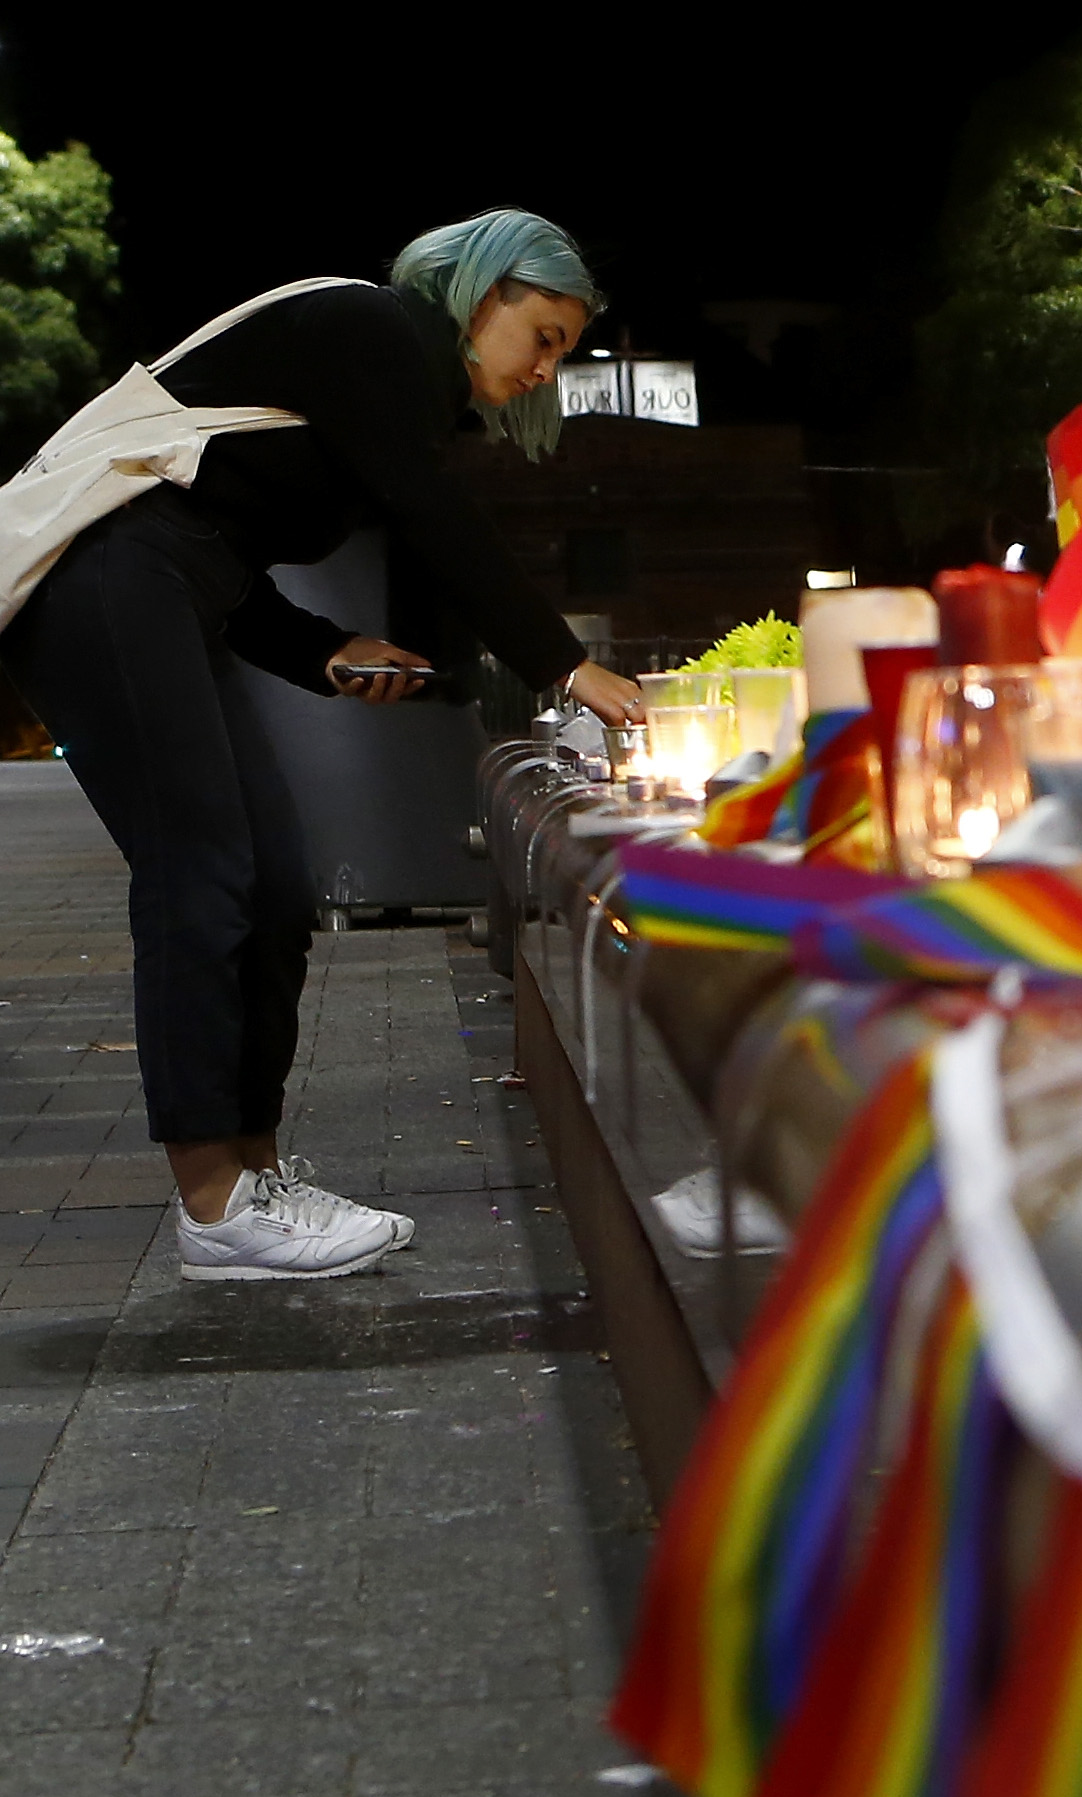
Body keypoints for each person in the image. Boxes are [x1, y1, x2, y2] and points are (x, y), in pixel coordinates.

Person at [0, 209, 647, 1282]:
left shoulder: (384, 381)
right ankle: (213, 1200)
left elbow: (216, 539)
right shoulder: (378, 330)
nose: (545, 369)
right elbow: (427, 517)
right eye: (544, 336)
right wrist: (560, 661)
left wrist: (325, 649)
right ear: (484, 295)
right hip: (99, 581)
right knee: (201, 868)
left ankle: (252, 1182)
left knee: (282, 884)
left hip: (159, 586)